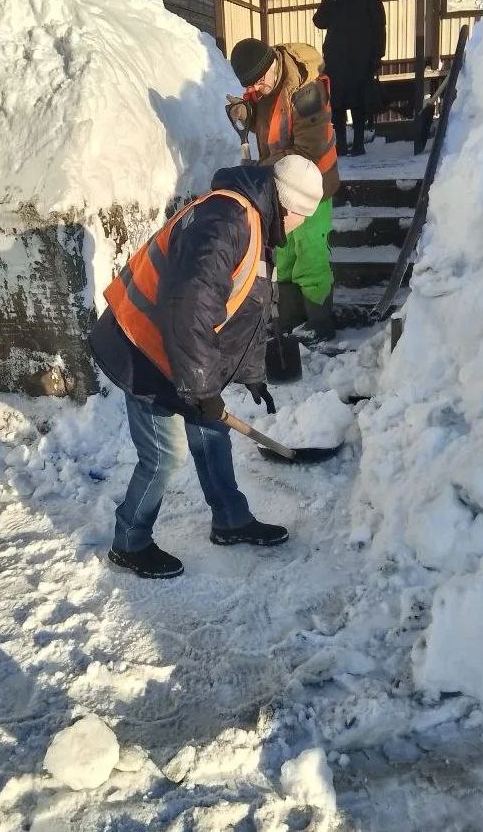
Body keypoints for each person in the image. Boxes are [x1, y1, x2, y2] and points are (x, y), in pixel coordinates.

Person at [89, 156, 324, 579]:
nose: (299, 227)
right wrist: (201, 387)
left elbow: (245, 310)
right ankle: (130, 543)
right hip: (142, 346)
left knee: (212, 433)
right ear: (288, 206)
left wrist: (249, 374)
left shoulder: (254, 219)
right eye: (302, 219)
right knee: (164, 455)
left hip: (176, 350)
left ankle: (231, 521)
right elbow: (189, 305)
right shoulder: (226, 219)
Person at [227, 37, 340, 342]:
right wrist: (245, 112)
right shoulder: (267, 84)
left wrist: (263, 169)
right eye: (249, 88)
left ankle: (320, 327)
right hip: (280, 189)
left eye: (257, 85)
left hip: (312, 190)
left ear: (270, 69)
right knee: (287, 259)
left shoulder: (307, 93)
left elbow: (309, 148)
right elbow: (264, 119)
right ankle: (291, 324)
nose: (255, 92)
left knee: (310, 258)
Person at [313, 0, 386, 156]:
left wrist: (377, 56)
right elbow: (319, 22)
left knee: (358, 101)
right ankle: (342, 144)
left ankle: (359, 144)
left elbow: (379, 26)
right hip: (336, 60)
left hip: (361, 59)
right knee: (336, 103)